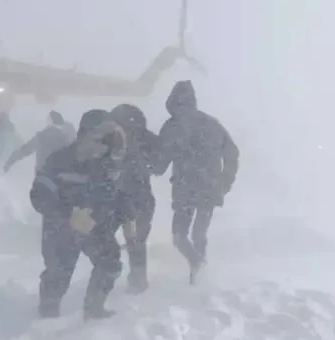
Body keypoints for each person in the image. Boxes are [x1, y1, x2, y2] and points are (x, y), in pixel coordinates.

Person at [29, 109, 133, 320]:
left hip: (92, 225)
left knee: (110, 263)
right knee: (58, 274)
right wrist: (68, 214)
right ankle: (47, 315)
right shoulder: (58, 162)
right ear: (84, 136)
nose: (105, 147)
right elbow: (39, 195)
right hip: (59, 228)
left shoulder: (105, 165)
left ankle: (94, 309)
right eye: (101, 140)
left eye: (108, 142)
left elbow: (116, 195)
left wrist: (126, 221)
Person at [153, 80, 239, 284]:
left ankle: (197, 266)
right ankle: (200, 275)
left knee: (179, 236)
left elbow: (160, 163)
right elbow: (232, 153)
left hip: (185, 190)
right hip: (209, 188)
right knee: (199, 234)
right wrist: (224, 182)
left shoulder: (171, 127)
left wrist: (147, 166)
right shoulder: (212, 124)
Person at [110, 103, 162, 294]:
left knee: (108, 238)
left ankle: (110, 275)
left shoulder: (112, 140)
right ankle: (137, 278)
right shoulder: (146, 139)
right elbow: (159, 165)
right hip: (141, 197)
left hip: (118, 198)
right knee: (137, 240)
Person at [3, 110, 76, 173]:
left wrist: (10, 162)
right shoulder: (65, 138)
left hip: (43, 174)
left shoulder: (42, 137)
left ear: (50, 122)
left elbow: (25, 150)